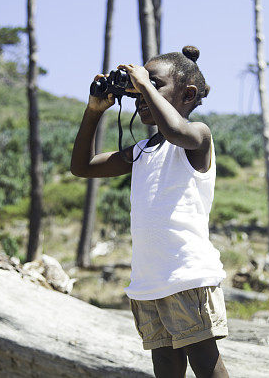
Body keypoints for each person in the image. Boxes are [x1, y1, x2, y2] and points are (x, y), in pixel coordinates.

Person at [71, 45, 229, 378]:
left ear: (187, 95)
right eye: (139, 87)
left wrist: (142, 83)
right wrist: (94, 109)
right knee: (166, 370)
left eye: (154, 85)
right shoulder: (142, 151)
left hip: (188, 276)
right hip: (149, 282)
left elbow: (174, 131)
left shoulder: (197, 136)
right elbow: (82, 166)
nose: (141, 93)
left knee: (205, 364)